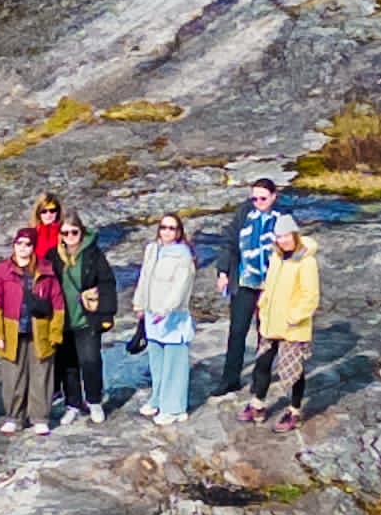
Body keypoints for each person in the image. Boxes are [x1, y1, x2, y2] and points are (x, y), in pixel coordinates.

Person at [245, 211, 320, 425]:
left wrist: (295, 316)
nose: (283, 240)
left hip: (292, 326)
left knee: (293, 371)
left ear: (295, 234)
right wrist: (262, 304)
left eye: (287, 235)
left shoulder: (306, 261)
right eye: (279, 236)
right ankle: (258, 404)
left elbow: (311, 295)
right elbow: (269, 286)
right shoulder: (276, 257)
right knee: (262, 364)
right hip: (270, 322)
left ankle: (294, 410)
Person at [0, 226, 62, 435]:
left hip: (40, 329)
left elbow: (57, 303)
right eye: (19, 243)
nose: (22, 248)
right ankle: (14, 416)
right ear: (14, 245)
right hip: (13, 329)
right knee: (13, 376)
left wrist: (55, 332)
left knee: (41, 374)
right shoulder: (2, 270)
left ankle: (39, 417)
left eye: (27, 244)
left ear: (34, 247)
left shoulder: (46, 269)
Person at [215, 179, 281, 396]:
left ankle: (260, 380)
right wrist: (223, 271)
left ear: (273, 196)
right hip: (244, 281)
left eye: (263, 198)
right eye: (254, 198)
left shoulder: (282, 219)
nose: (258, 202)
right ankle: (230, 379)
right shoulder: (244, 214)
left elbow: (294, 250)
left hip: (270, 286)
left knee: (266, 334)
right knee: (237, 331)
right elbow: (229, 242)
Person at [132, 211, 199, 424]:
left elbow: (181, 287)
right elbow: (144, 277)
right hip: (152, 315)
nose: (167, 231)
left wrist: (166, 309)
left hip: (172, 316)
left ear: (179, 232)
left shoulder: (184, 256)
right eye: (163, 227)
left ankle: (174, 408)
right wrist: (139, 303)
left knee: (174, 363)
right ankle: (158, 398)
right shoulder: (152, 250)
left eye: (172, 228)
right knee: (157, 361)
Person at [54, 211, 117, 424]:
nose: (70, 236)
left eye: (74, 232)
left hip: (87, 317)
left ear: (81, 232)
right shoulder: (53, 256)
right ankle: (72, 404)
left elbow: (107, 282)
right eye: (65, 232)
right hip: (62, 319)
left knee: (90, 360)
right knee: (67, 364)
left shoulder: (93, 254)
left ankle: (94, 401)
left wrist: (107, 314)